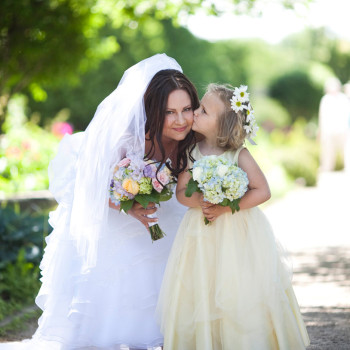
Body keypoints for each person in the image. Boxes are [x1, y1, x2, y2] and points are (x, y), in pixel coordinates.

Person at [20, 54, 199, 350]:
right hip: (116, 222)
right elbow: (87, 189)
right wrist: (130, 206)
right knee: (119, 294)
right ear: (153, 112)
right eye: (170, 112)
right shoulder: (127, 141)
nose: (180, 120)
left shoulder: (192, 141)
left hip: (166, 224)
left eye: (187, 109)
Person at [156, 84, 310, 349]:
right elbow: (182, 193)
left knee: (239, 286)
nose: (194, 112)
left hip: (238, 233)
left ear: (224, 124)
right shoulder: (193, 153)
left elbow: (262, 191)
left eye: (203, 110)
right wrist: (204, 200)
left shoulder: (238, 154)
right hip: (201, 233)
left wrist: (227, 206)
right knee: (203, 285)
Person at [318, 77, 349, 172]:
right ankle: (327, 170)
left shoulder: (343, 98)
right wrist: (320, 132)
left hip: (343, 130)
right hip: (329, 131)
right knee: (327, 153)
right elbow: (321, 117)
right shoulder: (325, 99)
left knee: (347, 151)